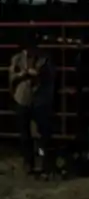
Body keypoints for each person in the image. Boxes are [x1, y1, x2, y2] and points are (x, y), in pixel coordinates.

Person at [9, 32, 55, 176]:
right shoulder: (17, 59)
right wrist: (23, 75)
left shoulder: (45, 59)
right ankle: (28, 162)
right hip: (23, 98)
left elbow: (51, 76)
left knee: (43, 134)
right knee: (25, 135)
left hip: (40, 100)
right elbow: (11, 78)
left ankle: (43, 162)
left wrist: (38, 74)